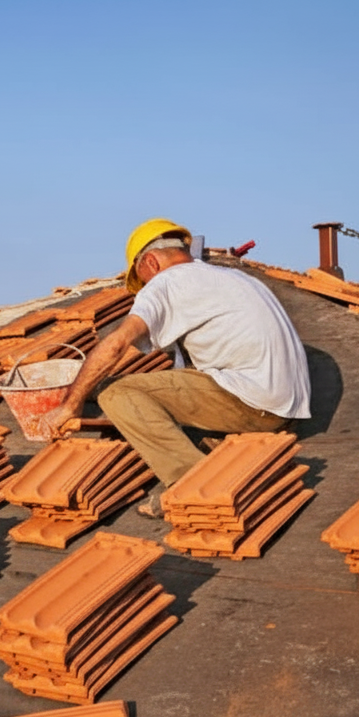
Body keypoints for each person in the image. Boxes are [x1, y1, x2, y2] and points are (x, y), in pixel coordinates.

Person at [40, 218, 311, 513]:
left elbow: (118, 344)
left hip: (256, 404)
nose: (144, 287)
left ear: (151, 263)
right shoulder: (236, 278)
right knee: (173, 380)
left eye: (141, 279)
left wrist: (70, 404)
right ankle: (228, 461)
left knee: (116, 394)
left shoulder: (167, 282)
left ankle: (193, 485)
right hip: (287, 408)